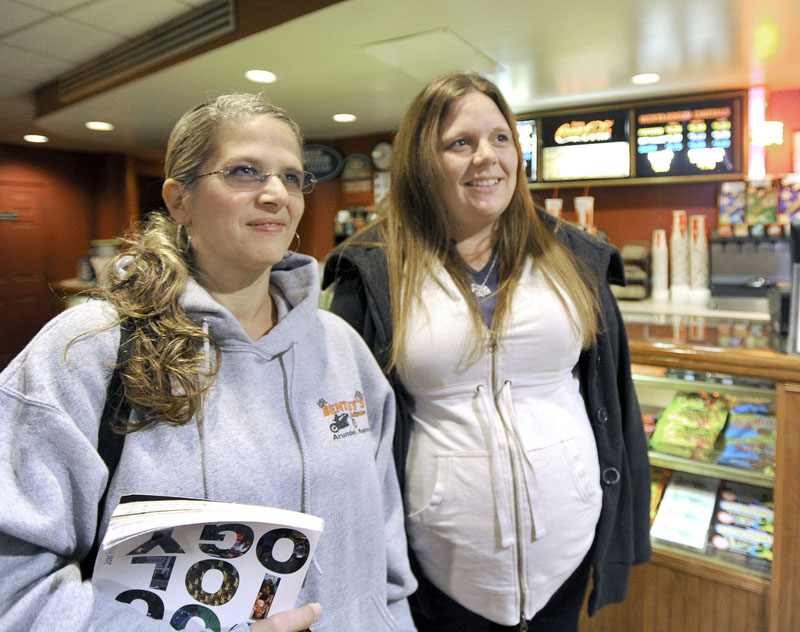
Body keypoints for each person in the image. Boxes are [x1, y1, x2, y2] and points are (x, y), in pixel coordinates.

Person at [0, 93, 417, 631]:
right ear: (180, 200)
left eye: (291, 178)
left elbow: (383, 545)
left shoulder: (341, 348)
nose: (275, 195)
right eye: (245, 171)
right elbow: (15, 584)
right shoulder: (88, 353)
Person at [323, 73, 652, 631]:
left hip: (567, 556)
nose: (488, 157)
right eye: (461, 143)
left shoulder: (574, 256)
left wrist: (624, 532)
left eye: (501, 139)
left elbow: (615, 399)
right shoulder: (373, 270)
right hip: (442, 571)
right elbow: (341, 426)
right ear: (422, 161)